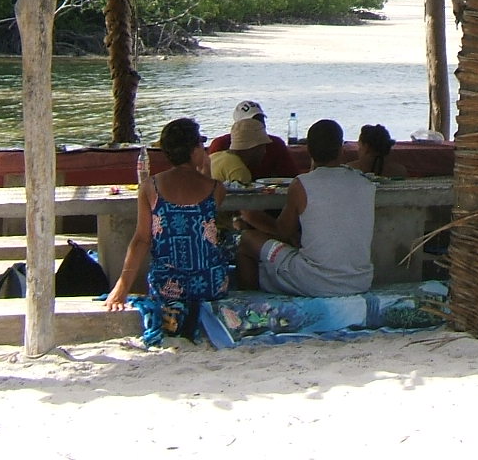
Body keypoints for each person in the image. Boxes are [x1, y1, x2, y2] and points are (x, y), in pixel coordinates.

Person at [105, 118, 229, 344]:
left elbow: (142, 240)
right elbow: (204, 224)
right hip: (211, 284)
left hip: (169, 287)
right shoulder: (215, 188)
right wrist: (207, 170)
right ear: (194, 151)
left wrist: (122, 287)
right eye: (201, 145)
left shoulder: (150, 187)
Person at [234, 119, 376, 296]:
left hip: (314, 281)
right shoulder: (365, 183)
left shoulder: (302, 184)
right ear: (342, 149)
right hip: (359, 282)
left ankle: (248, 303)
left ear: (309, 150)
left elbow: (283, 232)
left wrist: (251, 218)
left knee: (247, 240)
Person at [207, 100, 298, 181]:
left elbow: (290, 177)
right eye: (252, 122)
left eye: (260, 119)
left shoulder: (276, 144)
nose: (259, 124)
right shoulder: (220, 144)